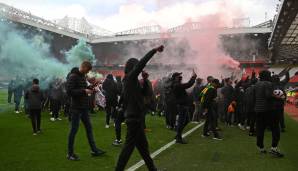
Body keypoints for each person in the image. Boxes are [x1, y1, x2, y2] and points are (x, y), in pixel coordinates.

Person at [115, 45, 164, 171]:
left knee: (143, 147)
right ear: (133, 67)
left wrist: (146, 80)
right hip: (134, 118)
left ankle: (152, 168)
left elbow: (145, 93)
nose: (140, 69)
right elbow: (142, 63)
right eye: (137, 67)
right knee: (128, 148)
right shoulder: (130, 78)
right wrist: (154, 51)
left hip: (136, 117)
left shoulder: (132, 81)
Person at [66, 61, 105, 161]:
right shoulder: (73, 76)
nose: (88, 72)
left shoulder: (82, 76)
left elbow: (83, 88)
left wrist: (92, 87)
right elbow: (69, 91)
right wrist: (84, 91)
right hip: (76, 108)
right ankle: (70, 154)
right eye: (87, 70)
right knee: (73, 131)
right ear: (83, 67)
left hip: (83, 107)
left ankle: (94, 150)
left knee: (89, 128)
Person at [254, 70, 283, 157]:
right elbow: (268, 95)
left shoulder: (257, 84)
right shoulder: (268, 84)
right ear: (266, 76)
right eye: (269, 75)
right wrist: (278, 97)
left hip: (258, 110)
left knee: (260, 129)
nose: (270, 76)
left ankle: (261, 148)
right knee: (276, 129)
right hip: (269, 110)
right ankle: (274, 149)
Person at [172, 71, 197, 144]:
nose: (181, 77)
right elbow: (189, 84)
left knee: (186, 120)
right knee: (181, 122)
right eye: (179, 76)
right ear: (175, 78)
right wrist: (193, 77)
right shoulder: (176, 85)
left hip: (183, 105)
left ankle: (178, 134)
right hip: (182, 106)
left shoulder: (177, 84)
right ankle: (178, 138)